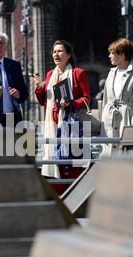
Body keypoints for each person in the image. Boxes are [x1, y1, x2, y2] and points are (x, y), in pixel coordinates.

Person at [34, 40, 91, 179]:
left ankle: (73, 189)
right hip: (52, 124)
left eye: (60, 51)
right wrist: (39, 89)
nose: (56, 54)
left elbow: (87, 99)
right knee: (53, 158)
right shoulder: (49, 75)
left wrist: (71, 104)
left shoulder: (78, 73)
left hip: (71, 124)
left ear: (69, 54)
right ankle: (57, 190)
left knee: (71, 161)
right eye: (54, 51)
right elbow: (44, 102)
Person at [99, 38, 133, 144]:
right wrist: (103, 117)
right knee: (108, 155)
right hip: (109, 122)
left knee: (125, 154)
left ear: (122, 55)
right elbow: (106, 99)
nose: (109, 56)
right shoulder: (111, 73)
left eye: (112, 53)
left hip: (127, 121)